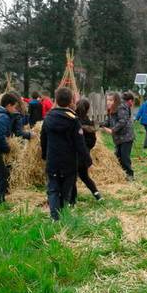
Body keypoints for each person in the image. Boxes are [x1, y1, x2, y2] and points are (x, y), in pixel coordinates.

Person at [41, 87, 91, 220]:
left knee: (52, 188)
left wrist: (44, 155)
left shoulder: (48, 118)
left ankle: (54, 217)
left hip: (52, 160)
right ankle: (62, 213)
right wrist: (87, 159)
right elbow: (80, 143)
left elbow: (43, 139)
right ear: (71, 102)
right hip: (68, 162)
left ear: (56, 100)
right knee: (66, 189)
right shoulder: (74, 120)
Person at [70, 98, 102, 203]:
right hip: (84, 155)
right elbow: (92, 141)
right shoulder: (89, 123)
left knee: (72, 178)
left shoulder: (72, 121)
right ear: (87, 110)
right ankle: (98, 195)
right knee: (85, 177)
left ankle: (72, 201)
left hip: (73, 155)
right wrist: (87, 149)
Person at [101, 92, 135, 180]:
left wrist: (112, 130)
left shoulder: (121, 107)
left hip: (126, 137)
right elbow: (108, 121)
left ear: (116, 100)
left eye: (111, 100)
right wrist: (101, 124)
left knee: (124, 157)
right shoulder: (111, 109)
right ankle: (122, 173)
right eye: (107, 100)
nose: (108, 102)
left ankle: (130, 174)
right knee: (118, 156)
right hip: (118, 138)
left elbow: (122, 121)